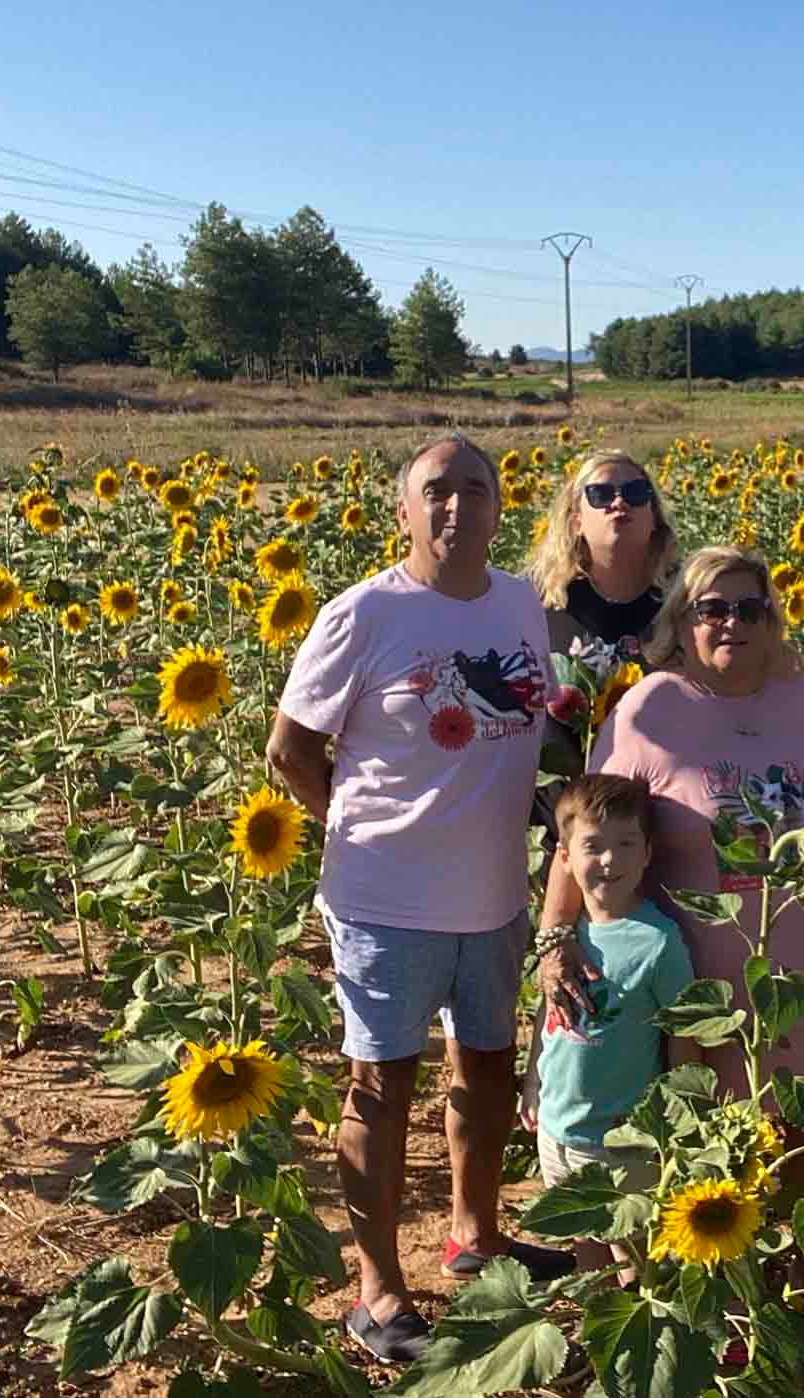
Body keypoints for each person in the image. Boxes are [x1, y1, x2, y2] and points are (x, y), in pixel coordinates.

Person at [266, 434, 573, 1365]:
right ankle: (378, 1287)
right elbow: (289, 751)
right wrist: (362, 827)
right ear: (404, 511)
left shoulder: (523, 605)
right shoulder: (363, 614)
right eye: (435, 492)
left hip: (492, 895)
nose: (454, 508)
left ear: (496, 506)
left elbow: (533, 719)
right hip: (384, 899)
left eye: (473, 490)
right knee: (380, 1088)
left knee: (483, 1073)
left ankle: (474, 1237)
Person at [538, 545, 804, 1351]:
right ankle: (718, 1297)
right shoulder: (652, 708)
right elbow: (582, 834)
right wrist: (556, 942)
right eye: (710, 609)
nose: (730, 623)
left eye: (748, 608)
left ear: (771, 620)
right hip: (699, 979)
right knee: (707, 1136)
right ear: (679, 624)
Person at [520, 773, 698, 1280]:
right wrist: (533, 1079)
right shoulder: (565, 940)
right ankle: (600, 1331)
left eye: (626, 845)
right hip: (556, 1125)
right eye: (593, 846)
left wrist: (681, 1117)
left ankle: (637, 1328)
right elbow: (547, 1013)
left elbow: (682, 1036)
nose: (609, 861)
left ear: (646, 855)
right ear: (566, 857)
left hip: (622, 1137)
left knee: (631, 1247)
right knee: (584, 1245)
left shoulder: (658, 942)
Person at [524, 446, 680, 661]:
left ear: (654, 516)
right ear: (577, 522)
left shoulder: (687, 594)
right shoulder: (535, 598)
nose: (619, 503)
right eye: (601, 494)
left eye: (635, 492)